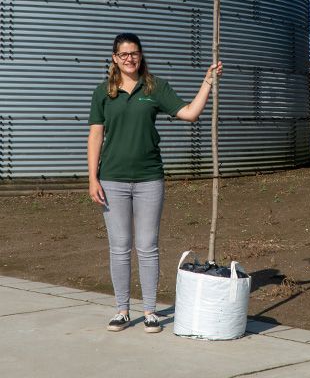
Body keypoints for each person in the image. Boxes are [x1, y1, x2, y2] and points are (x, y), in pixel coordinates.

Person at [87, 32, 222, 333]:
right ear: (114, 59)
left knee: (147, 246)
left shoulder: (155, 87)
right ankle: (122, 310)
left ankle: (150, 311)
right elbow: (96, 134)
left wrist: (207, 83)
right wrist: (92, 177)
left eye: (134, 53)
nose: (129, 59)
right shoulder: (103, 93)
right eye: (123, 54)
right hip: (112, 180)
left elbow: (189, 113)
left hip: (149, 178)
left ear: (141, 55)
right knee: (119, 247)